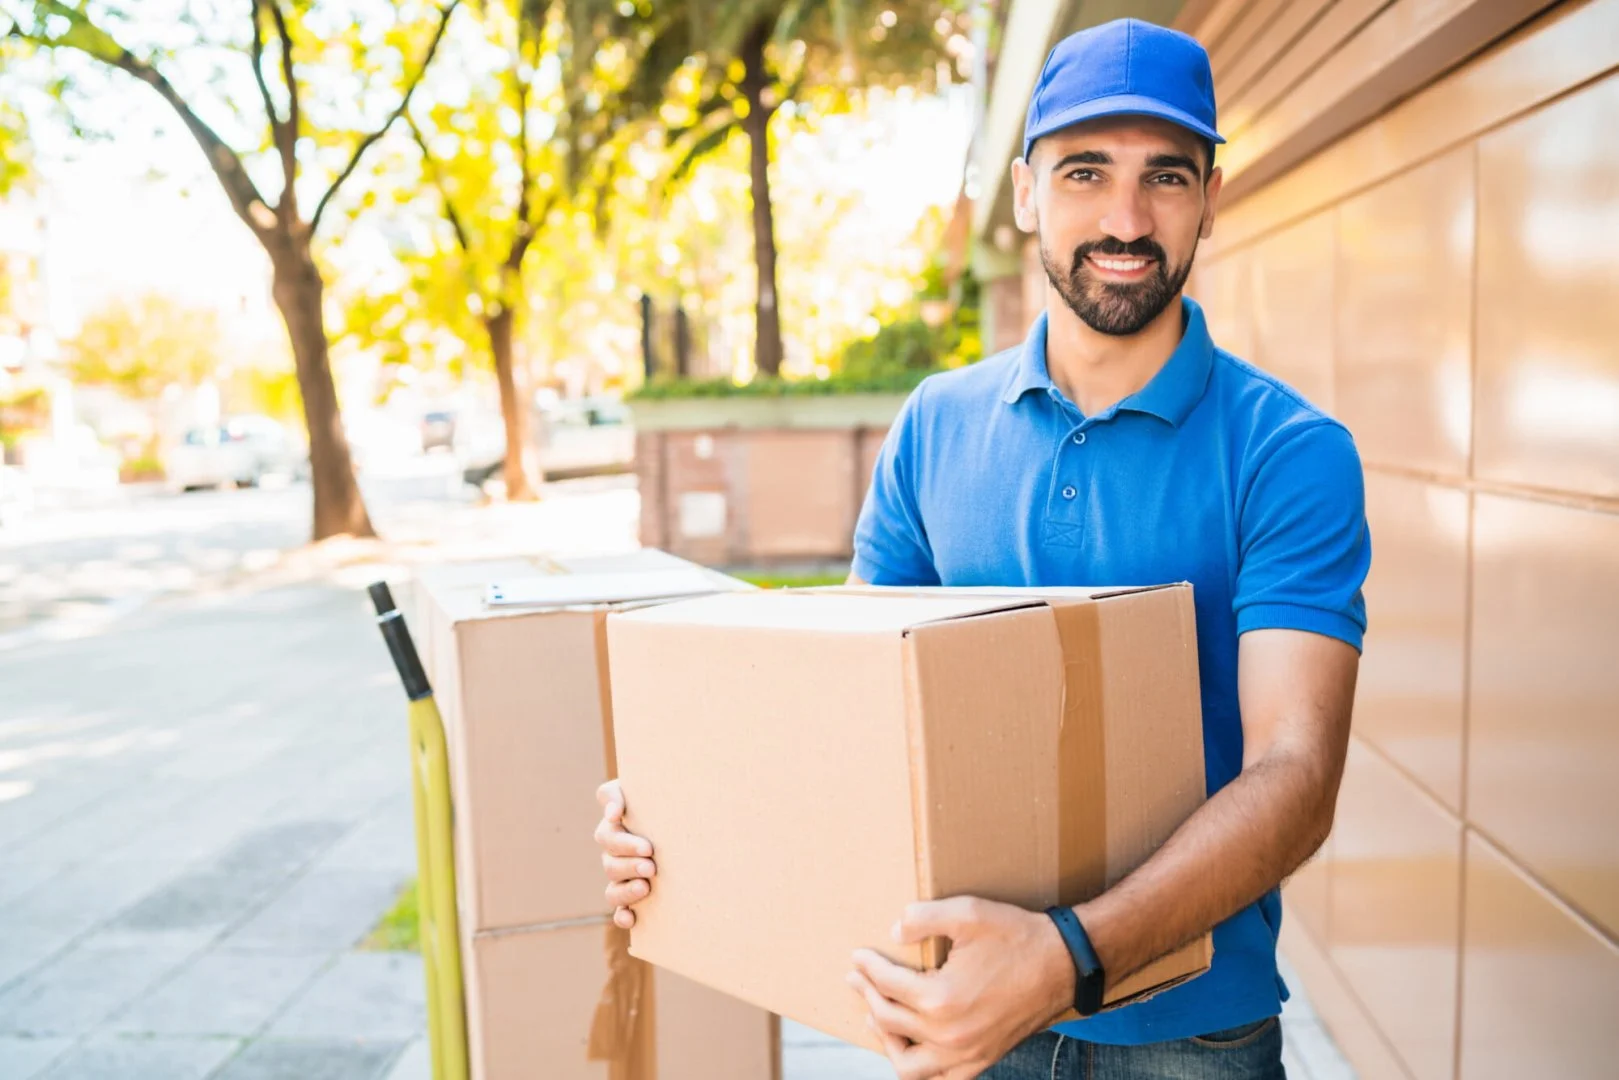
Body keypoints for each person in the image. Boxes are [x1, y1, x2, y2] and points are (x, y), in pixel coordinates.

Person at [595, 18, 1369, 1080]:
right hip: (959, 1012)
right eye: (1084, 173)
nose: (1124, 218)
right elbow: (856, 720)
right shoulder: (934, 425)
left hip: (1188, 1036)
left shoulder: (1287, 454)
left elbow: (1296, 773)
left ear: (1210, 198)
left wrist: (1064, 960)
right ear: (1022, 192)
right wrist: (681, 820)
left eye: (1166, 178)